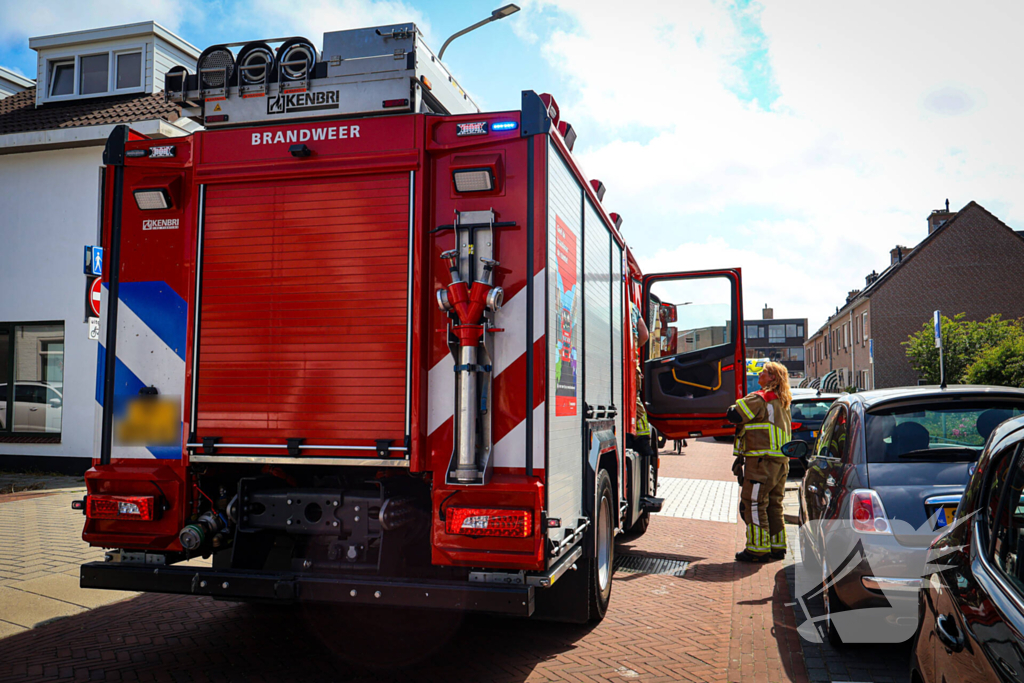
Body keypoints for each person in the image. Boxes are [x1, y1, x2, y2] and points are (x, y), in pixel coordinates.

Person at [729, 361, 792, 562]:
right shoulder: (782, 401)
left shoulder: (761, 398)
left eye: (763, 372)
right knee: (774, 504)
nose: (759, 375)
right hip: (780, 462)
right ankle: (777, 547)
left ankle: (757, 550)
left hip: (761, 463)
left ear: (772, 377)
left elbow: (734, 414)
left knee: (754, 504)